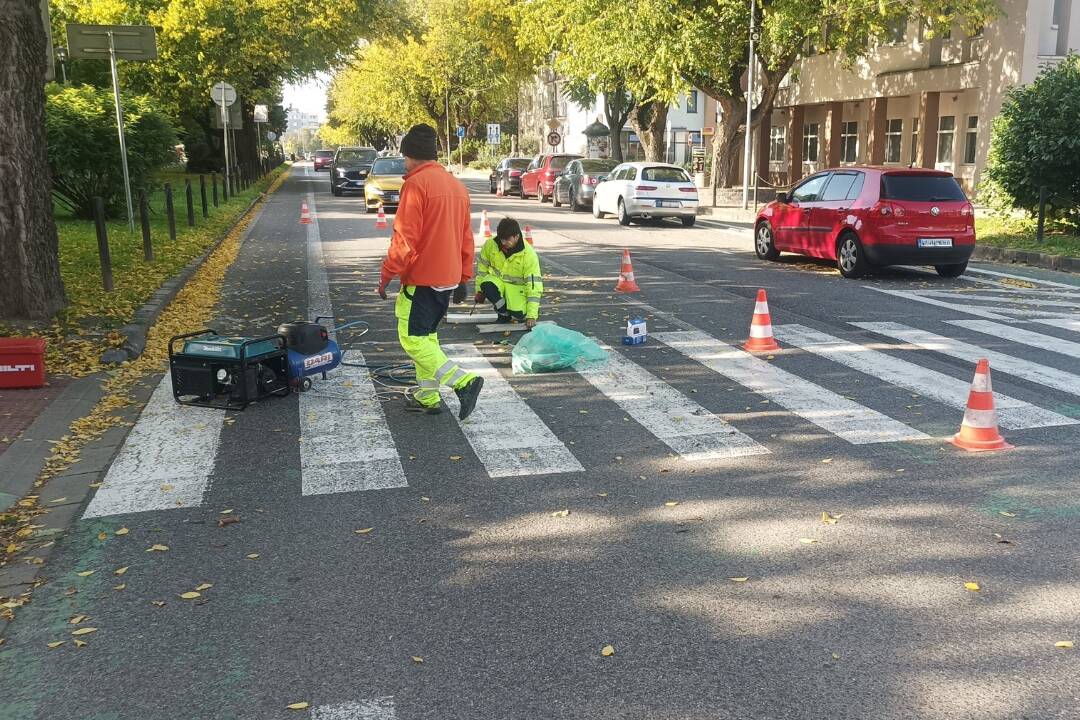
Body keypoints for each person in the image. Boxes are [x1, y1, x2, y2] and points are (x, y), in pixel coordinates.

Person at [376, 124, 484, 419]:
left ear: (411, 155)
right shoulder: (456, 186)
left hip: (422, 278)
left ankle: (464, 382)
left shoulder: (416, 185)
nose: (404, 163)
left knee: (412, 339)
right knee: (427, 338)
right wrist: (463, 277)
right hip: (446, 277)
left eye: (405, 157)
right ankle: (427, 396)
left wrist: (386, 275)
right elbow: (466, 238)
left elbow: (404, 239)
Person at [474, 218, 544, 328]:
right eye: (502, 239)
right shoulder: (491, 245)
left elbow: (534, 286)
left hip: (517, 290)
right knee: (486, 284)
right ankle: (503, 314)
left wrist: (531, 315)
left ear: (517, 236)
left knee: (519, 313)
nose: (503, 243)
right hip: (498, 283)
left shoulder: (528, 255)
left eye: (507, 240)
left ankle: (514, 312)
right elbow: (482, 270)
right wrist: (479, 291)